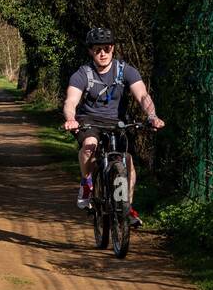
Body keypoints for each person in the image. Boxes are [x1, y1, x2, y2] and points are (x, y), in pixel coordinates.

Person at [61, 27, 164, 226]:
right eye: (97, 49)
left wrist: (152, 116)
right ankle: (86, 183)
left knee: (127, 165)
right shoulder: (83, 73)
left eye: (106, 48)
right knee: (90, 145)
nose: (102, 53)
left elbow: (143, 96)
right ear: (90, 51)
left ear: (113, 48)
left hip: (118, 123)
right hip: (89, 121)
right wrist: (71, 118)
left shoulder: (125, 70)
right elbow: (70, 101)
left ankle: (126, 209)